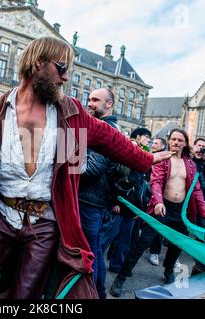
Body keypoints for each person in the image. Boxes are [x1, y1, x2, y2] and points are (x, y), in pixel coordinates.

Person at [0, 36, 172, 299]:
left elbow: (109, 138)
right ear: (38, 63)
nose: (66, 78)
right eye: (62, 68)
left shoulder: (69, 112)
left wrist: (145, 158)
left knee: (26, 295)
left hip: (45, 224)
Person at [110, 128, 205, 297]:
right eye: (173, 139)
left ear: (185, 143)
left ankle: (168, 270)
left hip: (181, 212)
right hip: (161, 208)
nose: (176, 142)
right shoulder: (163, 158)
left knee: (176, 245)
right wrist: (158, 201)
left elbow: (196, 191)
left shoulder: (190, 164)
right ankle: (121, 278)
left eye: (180, 140)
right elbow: (156, 182)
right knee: (141, 243)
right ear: (169, 140)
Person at [78, 87, 119, 299]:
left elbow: (92, 168)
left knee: (90, 253)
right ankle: (98, 294)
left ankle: (93, 295)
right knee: (93, 252)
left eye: (96, 100)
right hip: (92, 200)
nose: (90, 103)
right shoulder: (98, 126)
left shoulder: (105, 130)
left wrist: (73, 143)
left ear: (109, 104)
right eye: (89, 99)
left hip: (90, 201)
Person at [107, 127, 151, 273]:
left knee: (125, 239)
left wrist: (139, 208)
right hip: (120, 203)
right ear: (138, 136)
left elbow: (140, 186)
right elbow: (116, 177)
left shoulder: (141, 153)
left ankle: (116, 266)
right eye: (146, 137)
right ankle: (92, 264)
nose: (148, 141)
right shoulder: (128, 149)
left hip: (132, 205)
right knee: (108, 237)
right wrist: (115, 201)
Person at [148, 137, 167, 266]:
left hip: (158, 197)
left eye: (156, 143)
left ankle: (154, 252)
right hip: (146, 194)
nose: (153, 145)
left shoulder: (165, 158)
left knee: (157, 228)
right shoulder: (147, 155)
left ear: (162, 146)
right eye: (152, 143)